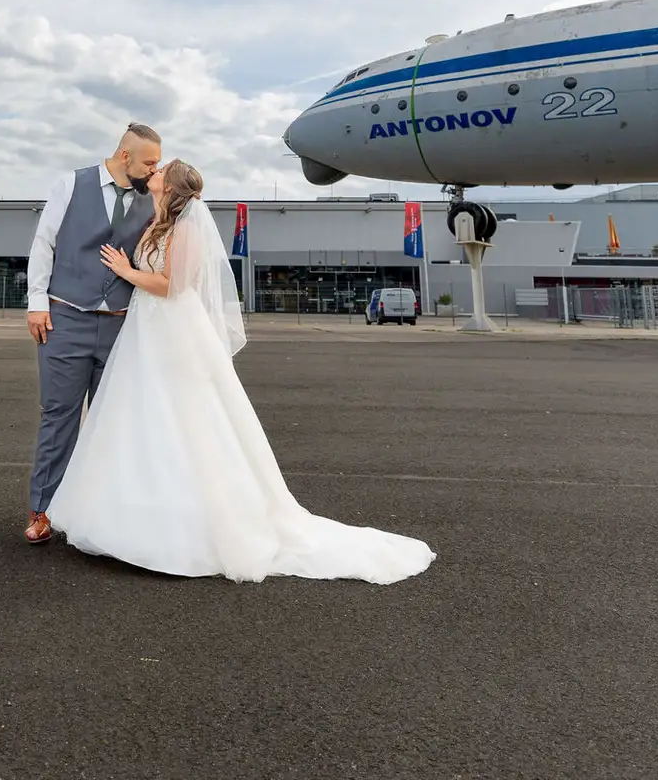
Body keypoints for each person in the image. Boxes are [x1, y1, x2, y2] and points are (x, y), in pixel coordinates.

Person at [46, 160, 433, 584]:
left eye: (161, 170)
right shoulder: (157, 222)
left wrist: (126, 271)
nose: (153, 172)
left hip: (172, 328)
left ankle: (186, 522)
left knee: (181, 414)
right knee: (144, 414)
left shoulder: (186, 228)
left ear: (171, 187)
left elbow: (172, 285)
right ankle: (134, 511)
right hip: (146, 326)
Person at [21, 123, 162, 545]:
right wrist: (36, 302)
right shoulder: (71, 184)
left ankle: (103, 514)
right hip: (65, 319)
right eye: (149, 162)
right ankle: (43, 510)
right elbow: (44, 243)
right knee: (59, 417)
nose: (155, 170)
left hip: (121, 324)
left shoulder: (150, 198)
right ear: (124, 157)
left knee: (112, 424)